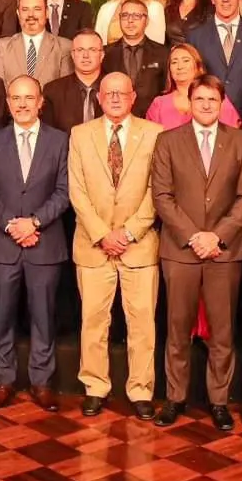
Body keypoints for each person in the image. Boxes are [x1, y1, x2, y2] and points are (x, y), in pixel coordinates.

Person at [150, 75, 242, 432]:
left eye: (213, 99)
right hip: (181, 250)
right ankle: (175, 398)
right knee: (177, 330)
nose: (207, 105)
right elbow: (162, 196)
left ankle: (219, 401)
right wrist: (194, 236)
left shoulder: (241, 141)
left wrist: (218, 236)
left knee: (222, 333)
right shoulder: (167, 141)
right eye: (200, 99)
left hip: (224, 252)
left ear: (223, 103)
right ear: (189, 103)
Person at [68, 73, 163, 420]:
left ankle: (141, 390)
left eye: (122, 92)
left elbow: (158, 189)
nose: (116, 97)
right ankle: (95, 387)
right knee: (93, 322)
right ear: (99, 98)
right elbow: (76, 191)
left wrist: (128, 233)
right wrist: (101, 234)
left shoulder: (154, 134)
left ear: (134, 96)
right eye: (109, 93)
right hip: (93, 246)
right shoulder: (80, 135)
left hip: (138, 246)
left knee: (141, 324)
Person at [0, 76, 70, 412]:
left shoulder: (60, 141)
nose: (22, 104)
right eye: (15, 98)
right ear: (7, 102)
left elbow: (65, 191)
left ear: (40, 101)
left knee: (43, 317)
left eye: (28, 98)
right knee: (1, 315)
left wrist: (33, 223)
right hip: (4, 244)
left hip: (44, 243)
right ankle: (3, 379)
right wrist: (10, 225)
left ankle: (41, 381)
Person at [0, 0, 74, 88]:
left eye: (37, 9)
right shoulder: (2, 46)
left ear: (47, 13)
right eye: (25, 9)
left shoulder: (65, 47)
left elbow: (66, 91)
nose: (31, 14)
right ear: (18, 13)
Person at [146, 43, 241, 128]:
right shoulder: (159, 104)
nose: (180, 66)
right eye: (174, 62)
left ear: (198, 66)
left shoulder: (216, 98)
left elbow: (232, 137)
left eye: (186, 61)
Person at [103, 0, 169, 117]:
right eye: (125, 15)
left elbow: (167, 92)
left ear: (147, 21)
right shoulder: (105, 54)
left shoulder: (163, 53)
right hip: (114, 121)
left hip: (152, 122)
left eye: (137, 16)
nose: (130, 20)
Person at [41, 29, 104, 132]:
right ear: (73, 55)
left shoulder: (115, 89)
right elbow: (48, 137)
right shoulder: (53, 91)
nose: (86, 55)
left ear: (102, 55)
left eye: (92, 50)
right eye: (80, 50)